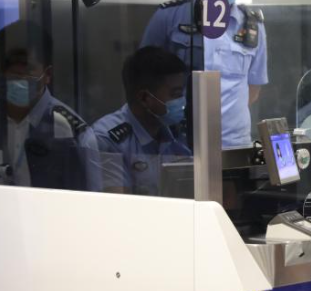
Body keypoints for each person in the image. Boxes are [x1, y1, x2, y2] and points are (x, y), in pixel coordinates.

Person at [141, 0, 268, 148]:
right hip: (180, 141)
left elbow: (253, 89)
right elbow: (143, 78)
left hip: (234, 143)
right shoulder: (170, 16)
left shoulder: (252, 25)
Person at [0, 20, 101, 191]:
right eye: (11, 69)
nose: (18, 78)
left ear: (47, 74)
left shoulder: (73, 134)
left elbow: (89, 201)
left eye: (27, 69)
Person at [92, 47, 191, 196]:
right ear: (145, 98)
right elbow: (117, 204)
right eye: (175, 94)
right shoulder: (107, 140)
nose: (182, 101)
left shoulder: (177, 136)